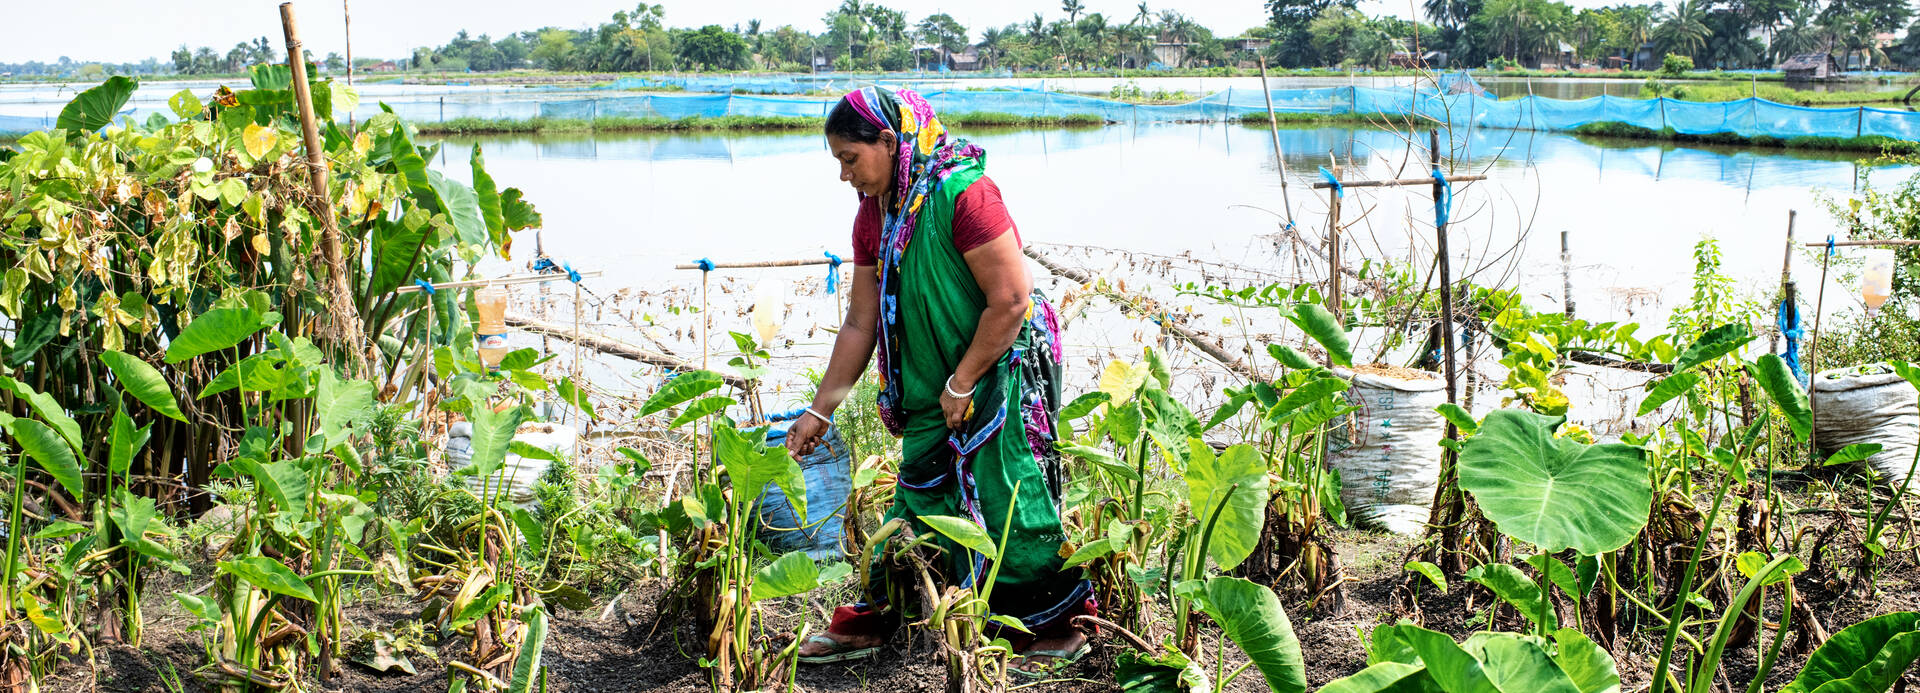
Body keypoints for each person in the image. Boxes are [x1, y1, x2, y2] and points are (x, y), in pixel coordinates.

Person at [781, 86, 1093, 676]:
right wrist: (820, 411)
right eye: (838, 163)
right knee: (919, 497)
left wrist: (964, 381)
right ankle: (887, 611)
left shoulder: (965, 194)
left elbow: (1010, 300)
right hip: (931, 387)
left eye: (850, 159)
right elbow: (860, 322)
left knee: (1009, 496)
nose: (844, 176)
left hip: (996, 368)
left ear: (889, 141)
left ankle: (1056, 624)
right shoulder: (877, 215)